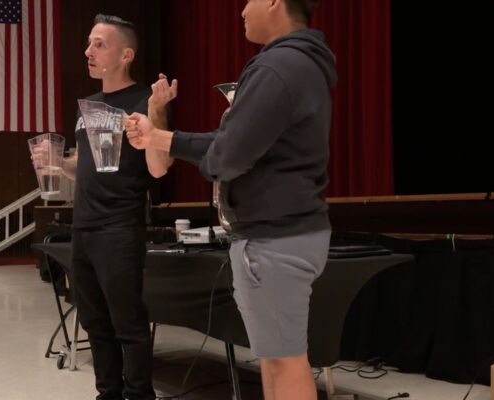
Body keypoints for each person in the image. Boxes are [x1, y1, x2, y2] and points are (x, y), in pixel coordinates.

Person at [125, 0, 337, 399]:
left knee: (286, 362)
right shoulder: (301, 63)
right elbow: (232, 145)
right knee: (278, 359)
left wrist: (203, 155)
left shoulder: (278, 67)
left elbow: (229, 155)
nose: (241, 10)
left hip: (274, 238)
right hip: (288, 232)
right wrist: (157, 137)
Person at [56, 13, 174, 400]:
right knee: (94, 323)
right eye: (89, 43)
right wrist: (56, 162)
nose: (88, 51)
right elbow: (85, 167)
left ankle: (139, 395)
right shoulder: (87, 104)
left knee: (128, 324)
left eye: (99, 44)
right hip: (84, 228)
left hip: (119, 228)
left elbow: (158, 169)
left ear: (126, 55)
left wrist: (157, 111)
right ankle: (107, 394)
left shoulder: (143, 102)